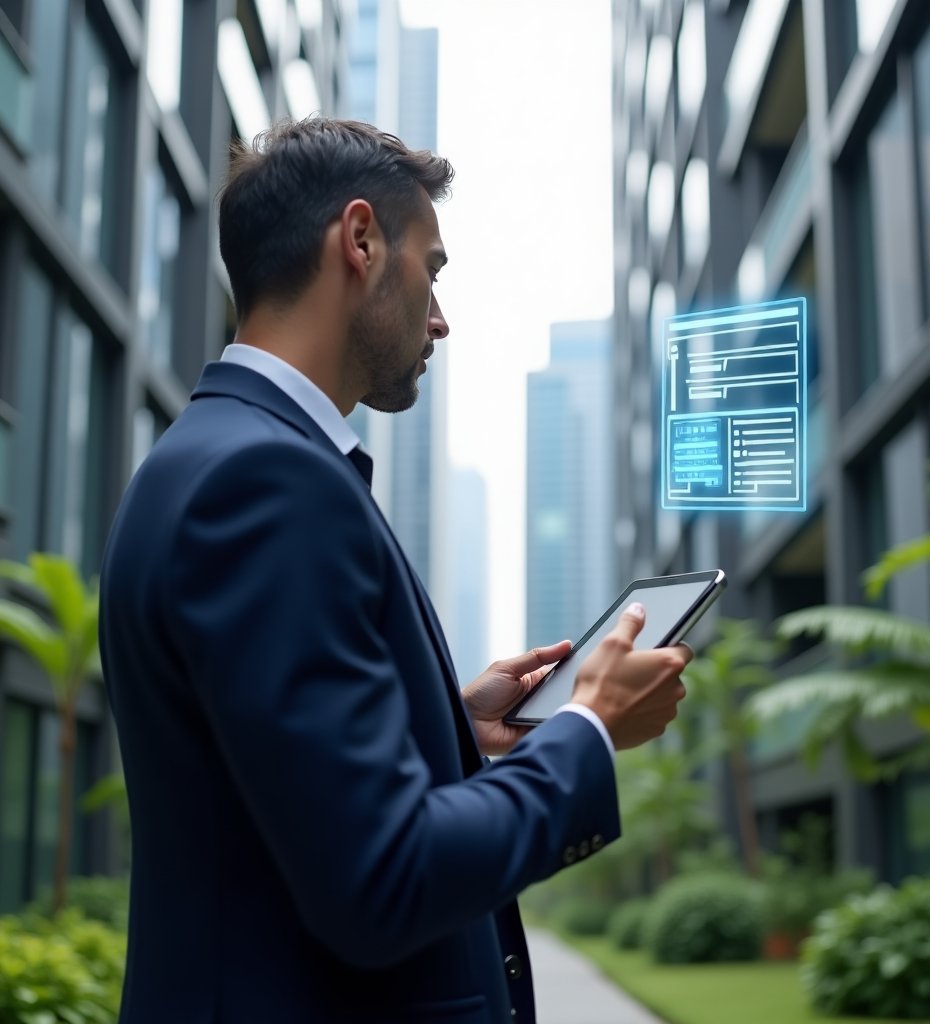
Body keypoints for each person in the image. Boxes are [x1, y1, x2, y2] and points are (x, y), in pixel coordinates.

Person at [99, 117, 692, 1024]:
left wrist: (451, 730)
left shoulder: (215, 457)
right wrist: (589, 731)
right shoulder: (269, 482)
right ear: (362, 240)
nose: (442, 317)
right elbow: (382, 883)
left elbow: (268, 795)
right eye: (435, 269)